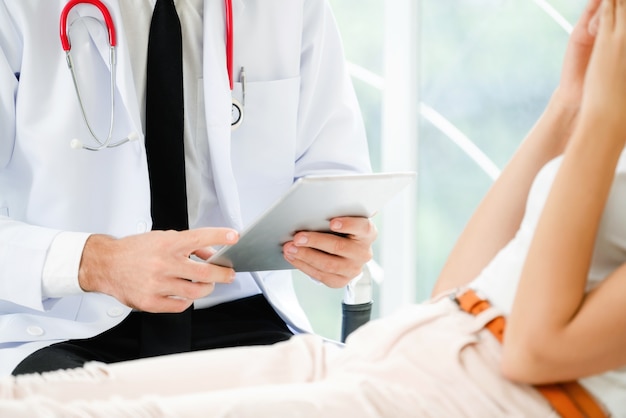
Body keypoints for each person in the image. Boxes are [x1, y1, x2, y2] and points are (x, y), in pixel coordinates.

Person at [0, 0, 625, 416]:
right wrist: (91, 262)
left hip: (256, 319)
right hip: (68, 321)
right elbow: (455, 294)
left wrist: (597, 110)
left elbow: (531, 348)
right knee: (33, 399)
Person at [0, 0, 377, 376]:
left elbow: (331, 173)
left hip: (240, 315)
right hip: (57, 323)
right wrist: (95, 262)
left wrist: (337, 241)